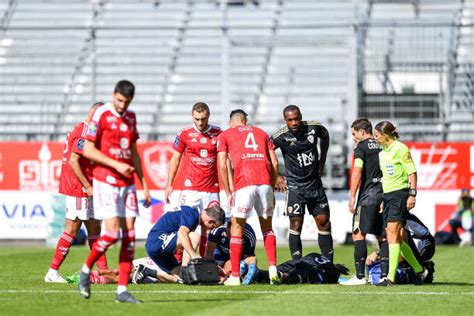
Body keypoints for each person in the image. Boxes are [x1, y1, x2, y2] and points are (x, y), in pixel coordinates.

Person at [78, 80, 152, 304]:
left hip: (127, 182)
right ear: (113, 95)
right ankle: (85, 269)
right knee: (111, 234)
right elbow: (87, 149)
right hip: (106, 180)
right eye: (119, 100)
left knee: (130, 235)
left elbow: (134, 152)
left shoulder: (131, 118)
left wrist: (144, 184)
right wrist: (115, 164)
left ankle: (122, 290)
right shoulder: (100, 114)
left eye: (126, 102)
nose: (121, 105)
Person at [44, 102, 108, 283]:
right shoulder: (84, 131)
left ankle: (103, 271)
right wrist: (87, 186)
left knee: (95, 229)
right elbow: (74, 161)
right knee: (72, 230)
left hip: (87, 185)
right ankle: (52, 272)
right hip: (78, 186)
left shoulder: (86, 130)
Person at [217, 109, 280, 286]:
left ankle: (235, 276)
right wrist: (272, 188)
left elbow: (222, 166)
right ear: (246, 121)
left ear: (231, 122)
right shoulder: (262, 133)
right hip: (265, 183)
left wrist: (229, 192)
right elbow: (274, 162)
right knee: (267, 228)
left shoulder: (225, 134)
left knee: (237, 229)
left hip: (244, 183)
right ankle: (273, 269)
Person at [271, 105, 334, 262]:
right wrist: (276, 176)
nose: (294, 122)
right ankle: (297, 263)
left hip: (315, 185)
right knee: (296, 224)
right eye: (290, 120)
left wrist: (322, 160)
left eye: (296, 118)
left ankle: (328, 265)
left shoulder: (314, 128)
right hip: (295, 187)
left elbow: (325, 136)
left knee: (324, 223)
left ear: (301, 117)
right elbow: (266, 150)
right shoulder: (281, 136)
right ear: (285, 120)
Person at [373, 120, 428, 286]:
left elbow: (412, 172)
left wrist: (412, 194)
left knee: (391, 235)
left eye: (377, 136)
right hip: (388, 196)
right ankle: (420, 270)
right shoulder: (382, 153)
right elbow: (386, 178)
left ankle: (390, 278)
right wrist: (383, 199)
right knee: (396, 237)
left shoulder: (401, 148)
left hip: (400, 194)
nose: (375, 139)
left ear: (385, 135)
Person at [164, 102, 222, 256]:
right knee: (186, 227)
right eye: (197, 119)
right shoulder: (184, 133)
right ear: (192, 116)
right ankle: (178, 261)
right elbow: (175, 159)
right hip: (191, 190)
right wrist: (169, 184)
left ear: (208, 115)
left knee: (209, 229)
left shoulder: (218, 133)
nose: (200, 123)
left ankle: (205, 262)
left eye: (203, 119)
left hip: (211, 190)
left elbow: (225, 162)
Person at [341, 118, 385, 286]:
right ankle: (385, 275)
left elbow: (358, 171)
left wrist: (352, 196)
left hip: (367, 196)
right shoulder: (382, 144)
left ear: (362, 132)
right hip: (383, 196)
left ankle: (360, 276)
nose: (353, 137)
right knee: (382, 236)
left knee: (358, 233)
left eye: (354, 133)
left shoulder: (361, 147)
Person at [132, 205, 225, 284]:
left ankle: (146, 271)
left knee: (180, 279)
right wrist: (194, 255)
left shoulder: (192, 215)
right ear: (210, 221)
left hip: (156, 246)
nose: (210, 229)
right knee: (194, 236)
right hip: (157, 241)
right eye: (212, 227)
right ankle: (185, 270)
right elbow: (182, 233)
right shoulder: (192, 213)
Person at [366, 212, 435, 284]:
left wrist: (378, 253)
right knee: (385, 261)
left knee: (397, 260)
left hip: (424, 243)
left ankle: (420, 271)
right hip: (410, 241)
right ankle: (416, 271)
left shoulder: (396, 211)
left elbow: (400, 237)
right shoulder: (385, 213)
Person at [253, 252, 348, 285]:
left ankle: (254, 274)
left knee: (274, 271)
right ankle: (258, 273)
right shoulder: (332, 276)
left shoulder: (320, 257)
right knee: (287, 277)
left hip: (298, 261)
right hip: (310, 270)